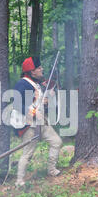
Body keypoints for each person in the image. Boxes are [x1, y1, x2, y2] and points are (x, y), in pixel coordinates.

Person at [12, 56, 63, 187]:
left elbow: (37, 102)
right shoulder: (22, 83)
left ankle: (51, 170)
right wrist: (32, 112)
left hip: (41, 121)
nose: (42, 69)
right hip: (29, 123)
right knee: (28, 154)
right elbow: (17, 104)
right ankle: (19, 181)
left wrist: (45, 103)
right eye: (39, 68)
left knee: (56, 142)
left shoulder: (37, 84)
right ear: (31, 71)